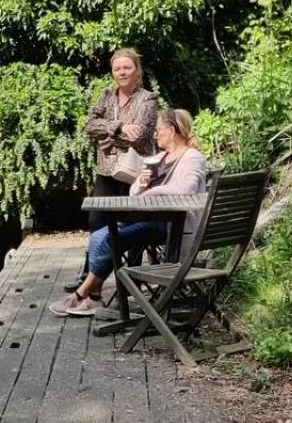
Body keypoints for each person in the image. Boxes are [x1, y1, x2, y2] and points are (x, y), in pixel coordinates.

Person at [51, 108, 210, 317]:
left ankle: (85, 293)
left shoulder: (192, 158)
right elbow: (135, 193)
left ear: (171, 130)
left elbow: (186, 190)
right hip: (152, 220)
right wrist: (142, 184)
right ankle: (94, 296)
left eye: (159, 129)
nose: (155, 134)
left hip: (176, 228)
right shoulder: (160, 157)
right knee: (100, 235)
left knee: (113, 238)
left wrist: (153, 191)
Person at [83, 49, 158, 219]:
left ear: (138, 71)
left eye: (127, 67)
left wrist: (106, 134)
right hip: (107, 171)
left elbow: (139, 136)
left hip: (134, 171)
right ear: (112, 73)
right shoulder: (106, 96)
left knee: (131, 225)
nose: (122, 72)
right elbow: (89, 127)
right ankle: (101, 247)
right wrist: (121, 127)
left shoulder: (148, 99)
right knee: (96, 221)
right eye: (117, 69)